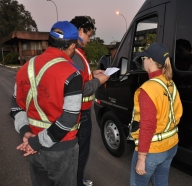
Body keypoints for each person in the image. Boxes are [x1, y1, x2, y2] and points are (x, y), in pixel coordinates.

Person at [10, 21, 83, 186]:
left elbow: (15, 106)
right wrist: (36, 143)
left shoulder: (25, 68)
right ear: (72, 46)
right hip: (61, 148)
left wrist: (26, 131)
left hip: (33, 143)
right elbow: (68, 119)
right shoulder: (72, 73)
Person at [128, 43, 183, 186]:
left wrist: (141, 158)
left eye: (144, 58)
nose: (143, 61)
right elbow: (177, 113)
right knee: (161, 182)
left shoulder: (148, 89)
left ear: (151, 60)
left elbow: (147, 126)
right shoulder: (169, 82)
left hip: (153, 150)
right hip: (171, 145)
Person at [69, 16, 110, 186]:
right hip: (80, 112)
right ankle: (76, 182)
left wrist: (93, 75)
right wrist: (100, 81)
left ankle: (77, 179)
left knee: (78, 152)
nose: (89, 39)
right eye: (88, 34)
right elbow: (82, 88)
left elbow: (80, 78)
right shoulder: (75, 54)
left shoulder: (77, 54)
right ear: (80, 31)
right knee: (80, 153)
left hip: (79, 111)